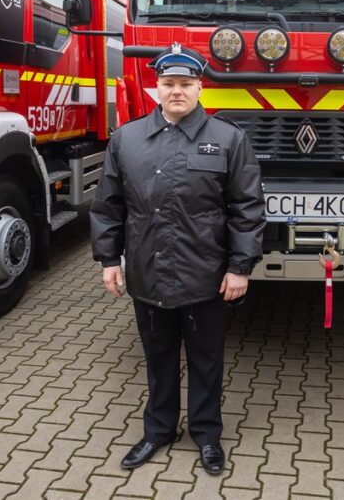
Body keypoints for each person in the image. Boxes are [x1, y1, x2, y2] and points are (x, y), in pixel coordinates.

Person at [90, 43, 265, 475]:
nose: (177, 92)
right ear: (157, 87)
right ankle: (158, 430)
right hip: (148, 272)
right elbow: (109, 206)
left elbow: (247, 209)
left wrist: (239, 267)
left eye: (186, 84)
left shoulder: (228, 139)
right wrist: (109, 259)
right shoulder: (126, 139)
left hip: (205, 274)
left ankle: (206, 434)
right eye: (169, 84)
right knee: (159, 355)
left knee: (207, 358)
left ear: (199, 87)